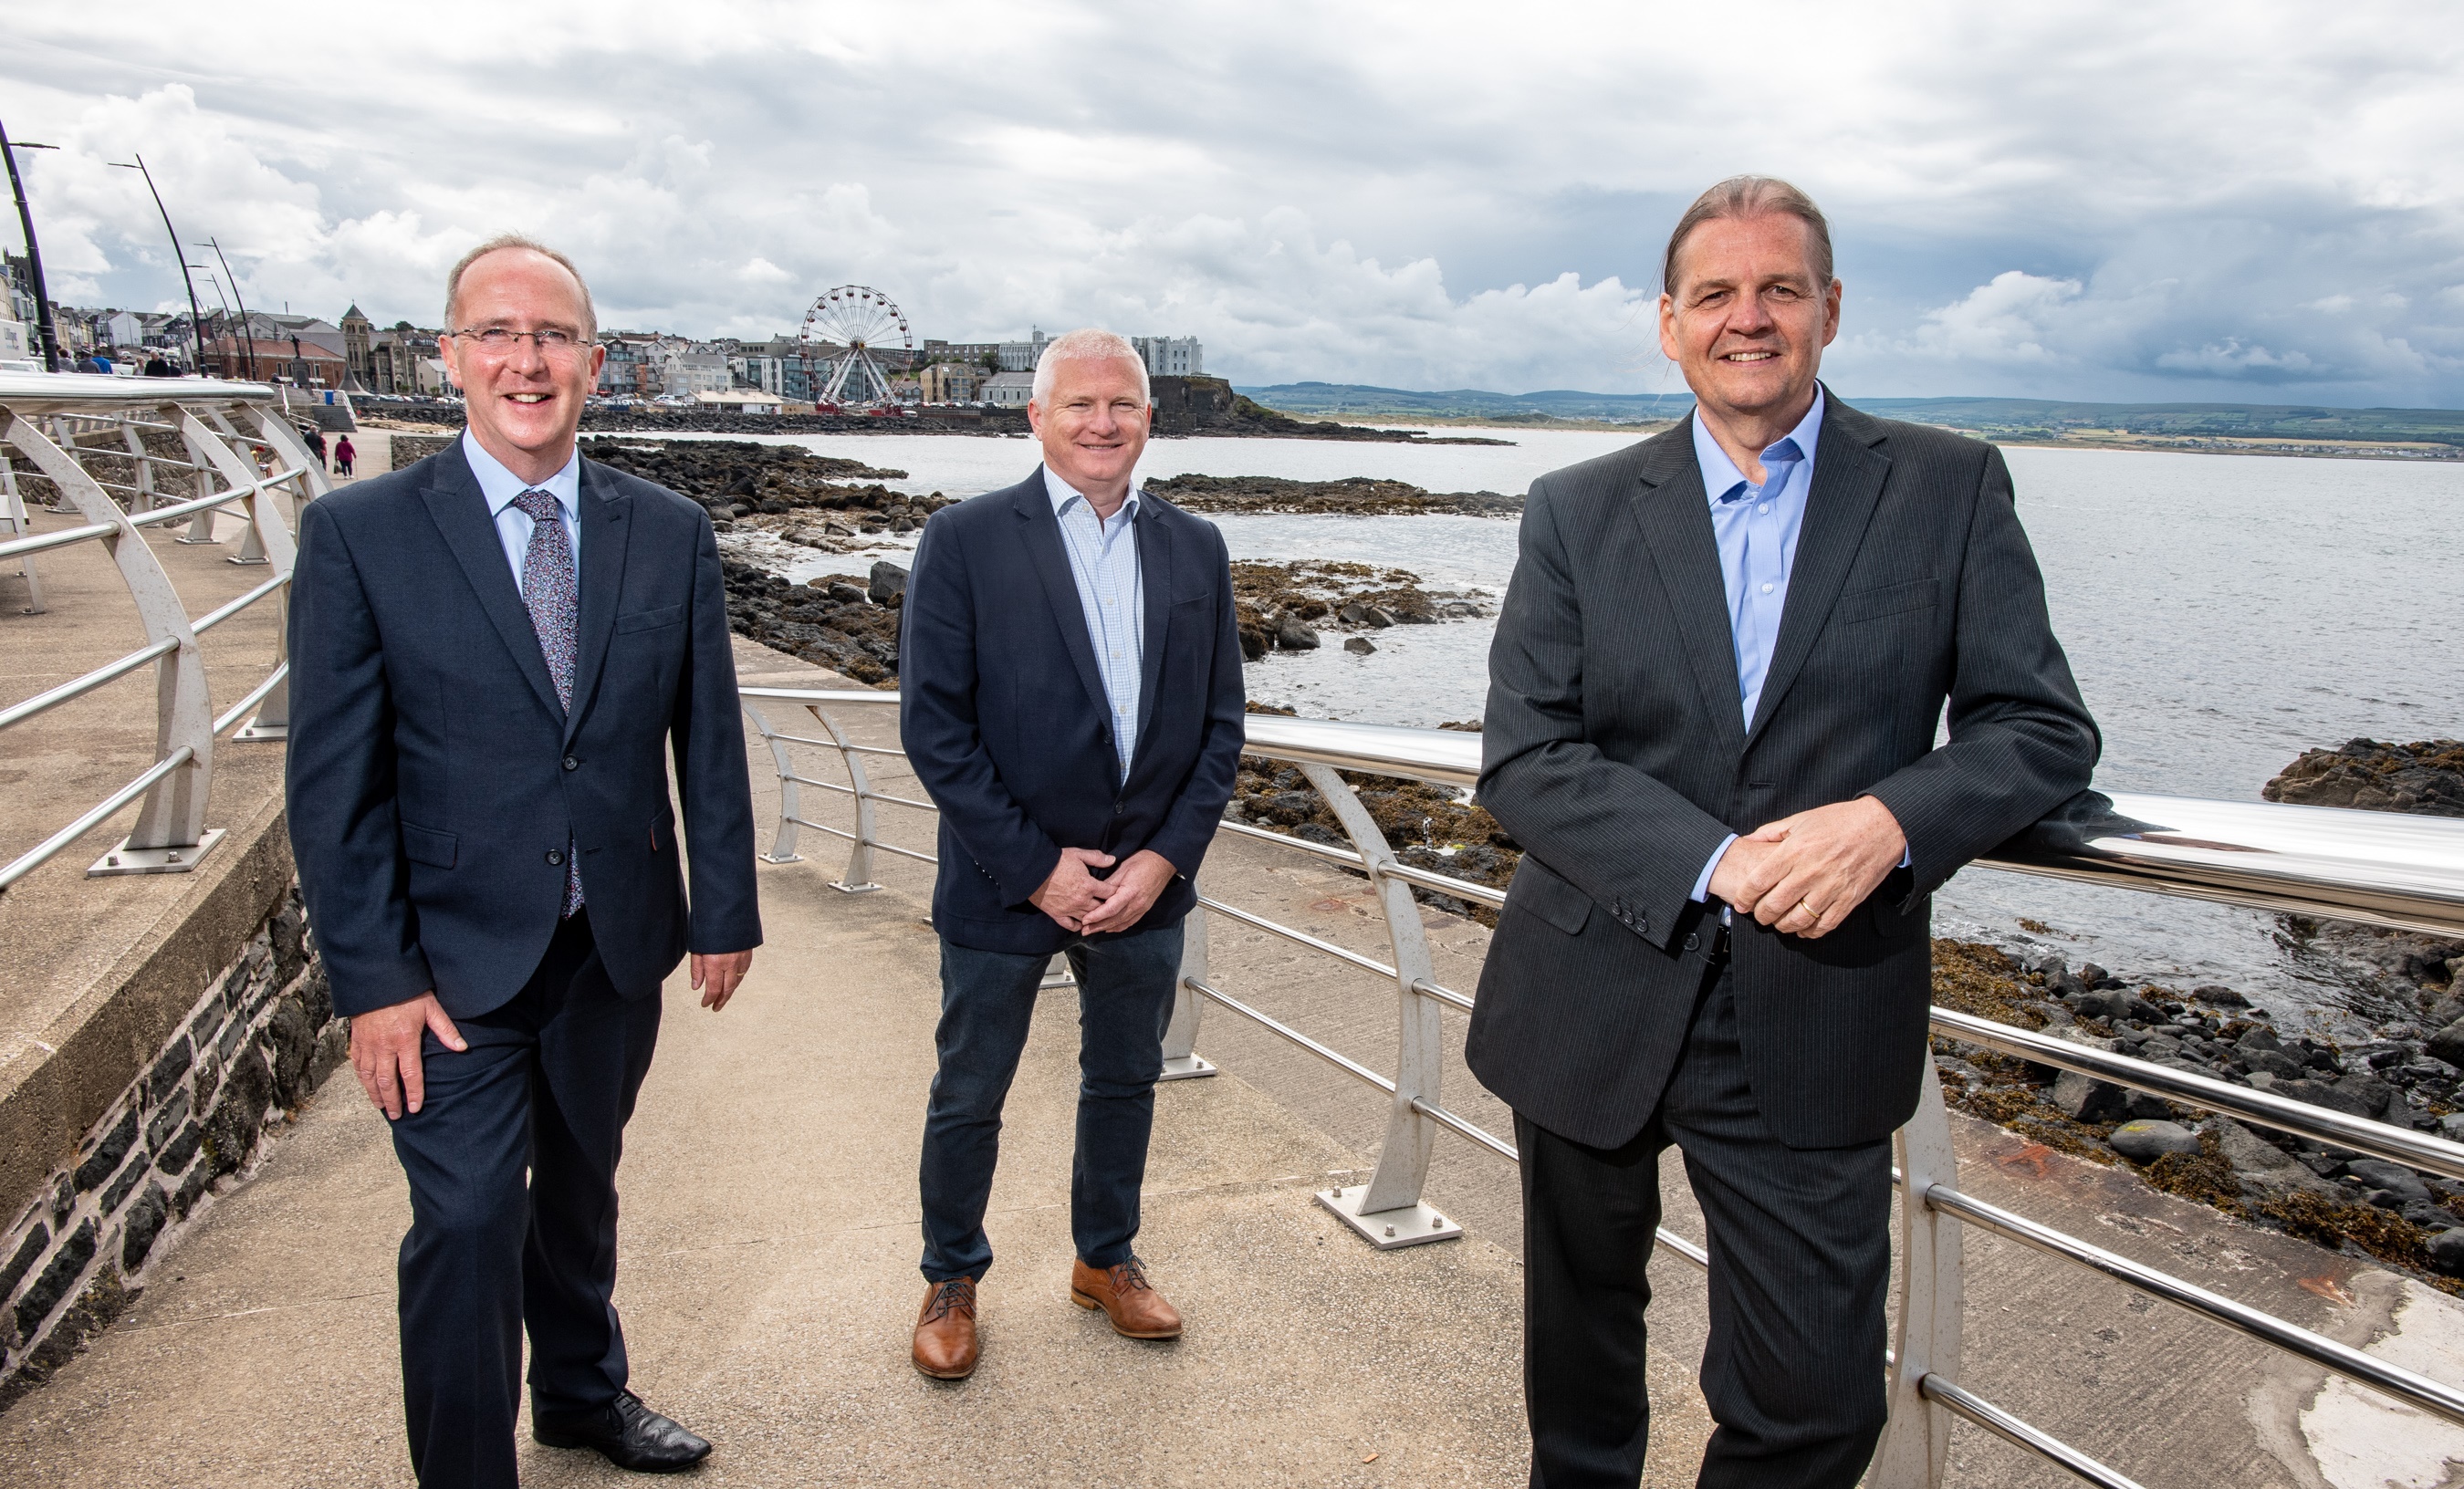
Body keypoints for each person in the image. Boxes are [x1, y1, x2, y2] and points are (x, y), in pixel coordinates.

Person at [1466, 176, 2098, 1489]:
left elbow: (2039, 729)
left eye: (1779, 289)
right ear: (1668, 323)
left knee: (1816, 1408)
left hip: (1819, 1002)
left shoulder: (1947, 486)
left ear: (1830, 309)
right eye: (1715, 294)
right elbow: (1528, 753)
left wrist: (1891, 820)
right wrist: (1717, 861)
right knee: (1578, 1381)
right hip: (1592, 981)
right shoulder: (1577, 506)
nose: (1746, 318)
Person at [286, 234, 761, 1487]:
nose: (526, 360)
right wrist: (375, 983)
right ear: (451, 358)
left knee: (581, 1191)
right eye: (496, 333)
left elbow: (708, 738)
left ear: (595, 365)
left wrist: (724, 910)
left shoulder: (667, 531)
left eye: (552, 335)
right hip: (445, 961)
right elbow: (333, 789)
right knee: (467, 1216)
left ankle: (580, 1394)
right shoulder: (360, 535)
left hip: (611, 943)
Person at [897, 328, 1245, 1381]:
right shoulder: (963, 541)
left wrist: (1165, 860)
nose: (1102, 423)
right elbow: (935, 729)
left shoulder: (1195, 547)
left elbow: (1220, 727)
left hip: (1145, 886)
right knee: (970, 1090)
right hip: (1005, 883)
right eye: (1080, 404)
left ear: (1149, 417)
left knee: (1125, 1080)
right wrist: (1036, 867)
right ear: (1036, 416)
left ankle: (1105, 1259)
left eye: (1122, 404)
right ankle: (952, 1277)